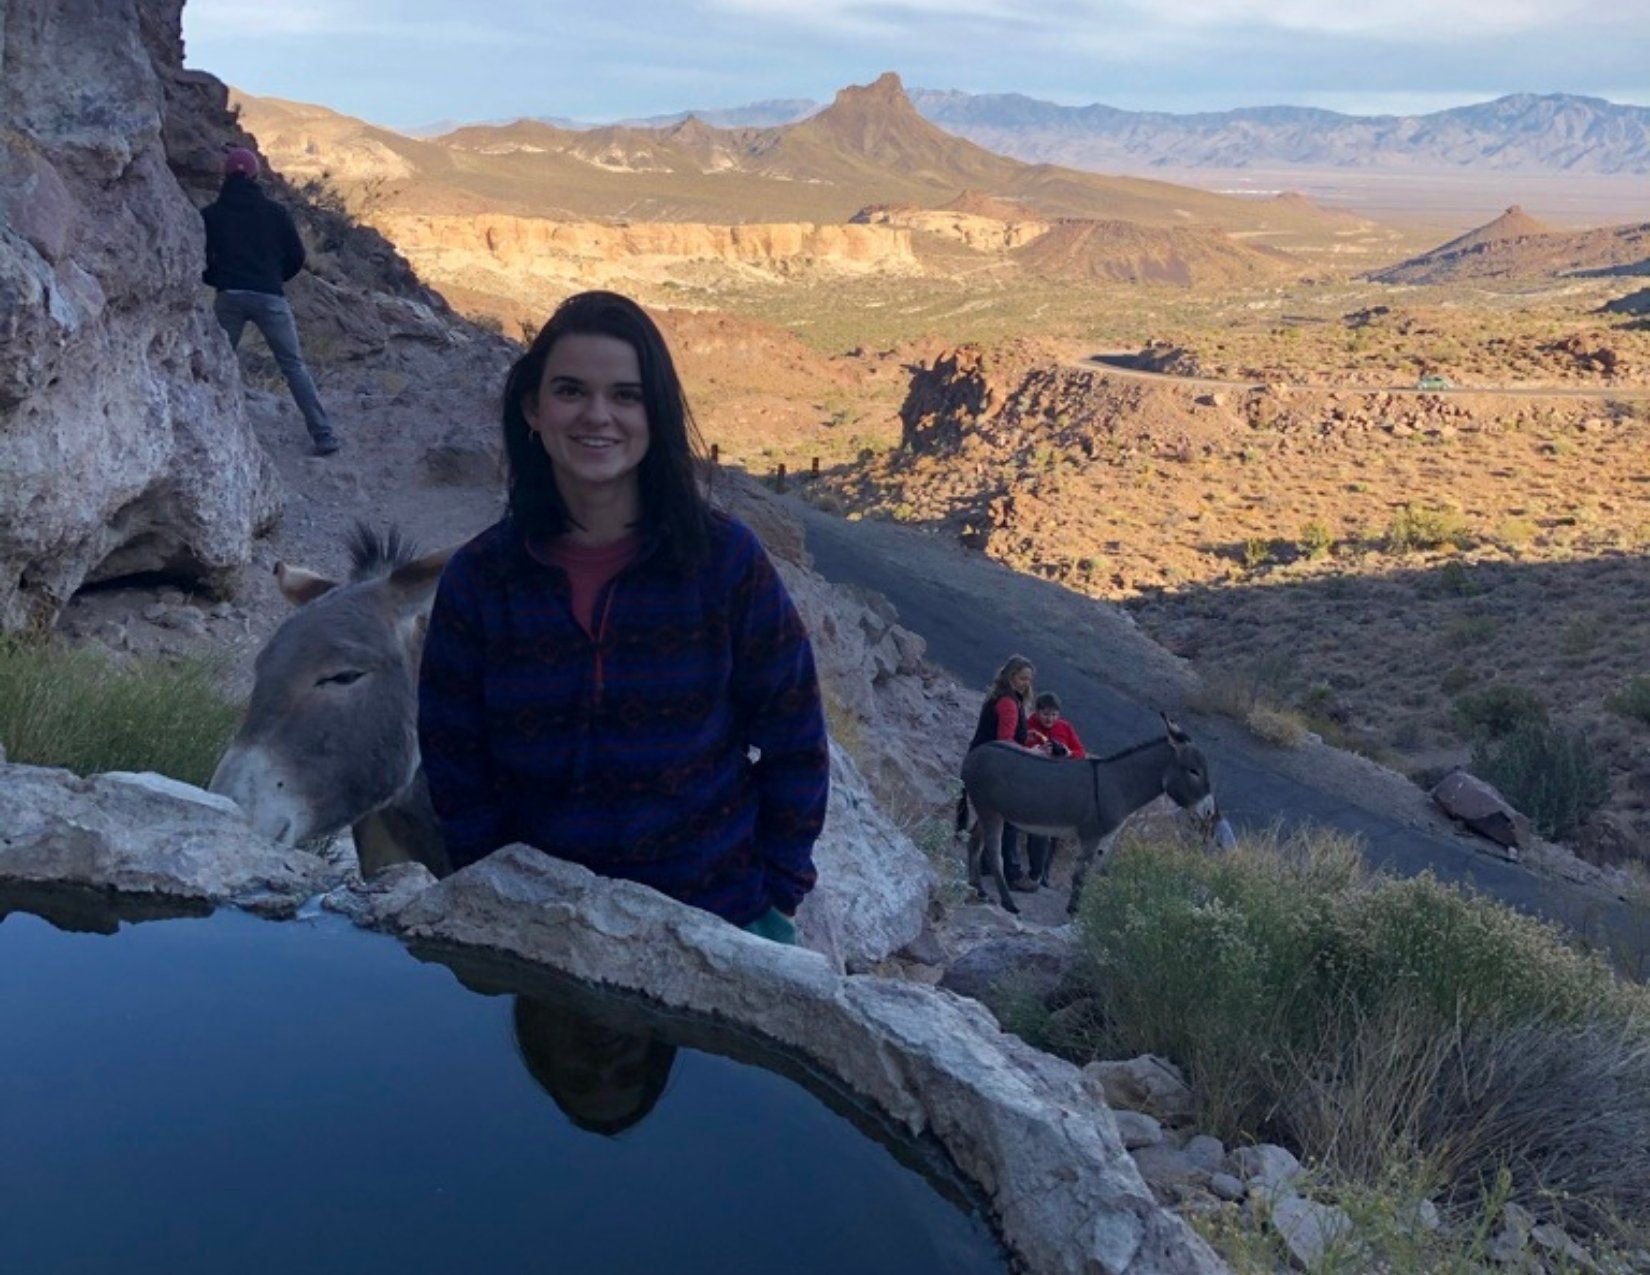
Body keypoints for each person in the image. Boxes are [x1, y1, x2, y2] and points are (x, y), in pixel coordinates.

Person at [417, 290, 828, 943]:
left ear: (656, 413)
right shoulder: (481, 580)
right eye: (571, 390)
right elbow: (454, 759)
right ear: (533, 408)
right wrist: (490, 885)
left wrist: (776, 891)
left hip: (714, 920)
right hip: (540, 927)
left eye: (627, 395)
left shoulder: (723, 561)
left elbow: (794, 732)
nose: (598, 415)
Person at [201, 146, 339, 456]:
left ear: (225, 175)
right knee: (293, 366)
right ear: (255, 175)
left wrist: (217, 280)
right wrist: (275, 278)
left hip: (230, 297)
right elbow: (297, 256)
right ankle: (323, 434)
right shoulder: (276, 213)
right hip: (270, 296)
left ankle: (210, 433)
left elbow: (200, 259)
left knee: (217, 362)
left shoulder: (211, 214)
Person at [958, 654, 1037, 890]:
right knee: (1011, 818)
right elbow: (1005, 742)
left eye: (1028, 680)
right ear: (1012, 677)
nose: (1026, 684)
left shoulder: (998, 697)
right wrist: (1033, 753)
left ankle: (979, 869)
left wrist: (1027, 737)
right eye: (1023, 678)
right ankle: (1012, 873)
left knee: (985, 822)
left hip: (979, 764)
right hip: (994, 770)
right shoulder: (1009, 704)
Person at [1021, 691, 1087, 886]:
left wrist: (1066, 753)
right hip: (1031, 782)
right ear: (1037, 711)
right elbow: (1015, 745)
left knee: (1050, 832)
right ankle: (1029, 870)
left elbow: (1081, 753)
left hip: (1057, 786)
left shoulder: (1064, 727)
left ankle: (1043, 873)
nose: (1049, 719)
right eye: (1045, 714)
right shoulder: (1029, 724)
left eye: (1053, 715)